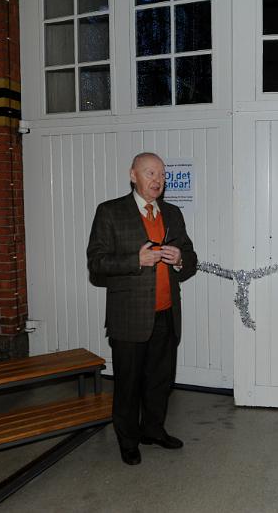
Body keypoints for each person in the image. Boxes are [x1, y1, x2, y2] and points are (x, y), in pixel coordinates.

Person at [87, 152, 197, 465]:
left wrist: (179, 260)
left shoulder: (173, 214)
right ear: (133, 175)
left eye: (161, 175)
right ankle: (128, 439)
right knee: (128, 383)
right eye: (150, 173)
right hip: (129, 318)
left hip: (166, 313)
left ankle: (153, 430)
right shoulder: (110, 212)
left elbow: (191, 258)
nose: (158, 180)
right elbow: (96, 263)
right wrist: (136, 260)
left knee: (160, 381)